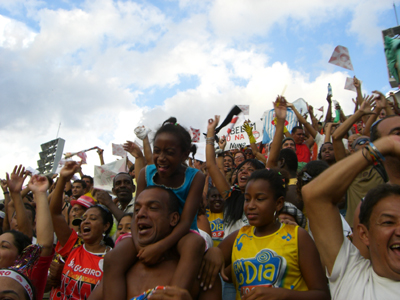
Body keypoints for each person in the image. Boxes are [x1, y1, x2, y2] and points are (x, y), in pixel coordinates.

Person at [103, 117, 206, 300]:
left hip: (182, 233)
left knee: (194, 244)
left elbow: (185, 221)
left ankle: (172, 295)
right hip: (149, 233)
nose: (161, 158)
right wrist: (139, 246)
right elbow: (136, 214)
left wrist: (160, 247)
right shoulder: (145, 173)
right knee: (113, 258)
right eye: (157, 151)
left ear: (184, 155)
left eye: (170, 152)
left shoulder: (196, 177)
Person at [199, 169, 330, 300]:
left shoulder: (298, 237)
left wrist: (283, 295)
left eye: (259, 199)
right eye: (247, 199)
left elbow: (322, 294)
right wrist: (215, 252)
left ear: (278, 203)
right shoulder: (238, 237)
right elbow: (206, 272)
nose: (250, 206)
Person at [302, 130, 400, 299]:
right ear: (364, 233)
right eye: (388, 223)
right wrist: (385, 144)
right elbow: (314, 195)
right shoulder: (351, 274)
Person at [49, 161, 114, 300]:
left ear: (106, 226)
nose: (86, 221)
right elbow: (55, 213)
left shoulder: (113, 257)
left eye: (93, 218)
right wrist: (62, 178)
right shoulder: (73, 244)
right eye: (84, 218)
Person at [1, 166, 54, 300]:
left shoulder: (28, 274)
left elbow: (44, 246)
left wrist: (40, 193)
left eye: (4, 246)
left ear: (23, 255)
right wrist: (14, 193)